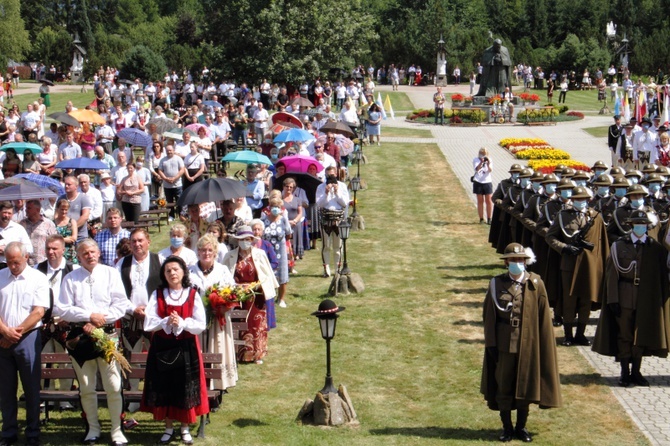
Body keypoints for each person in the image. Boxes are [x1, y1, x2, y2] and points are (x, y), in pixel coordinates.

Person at [481, 242, 562, 443]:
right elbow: (489, 317)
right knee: (504, 384)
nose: (517, 263)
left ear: (525, 262)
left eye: (520, 260)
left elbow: (544, 317)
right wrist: (491, 344)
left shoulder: (536, 283)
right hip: (504, 343)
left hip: (529, 343)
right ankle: (507, 427)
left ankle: (521, 427)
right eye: (513, 260)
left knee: (525, 384)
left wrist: (543, 345)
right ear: (506, 262)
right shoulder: (497, 284)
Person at [56, 239, 130, 446]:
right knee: (87, 386)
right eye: (84, 253)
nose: (89, 255)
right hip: (80, 337)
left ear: (98, 253)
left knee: (113, 385)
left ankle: (117, 430)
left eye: (92, 251)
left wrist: (100, 319)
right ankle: (93, 429)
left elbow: (121, 304)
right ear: (78, 257)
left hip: (107, 336)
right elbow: (63, 308)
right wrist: (88, 316)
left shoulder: (110, 274)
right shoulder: (70, 278)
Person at [592, 210, 670, 387]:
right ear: (631, 226)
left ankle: (637, 371)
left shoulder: (656, 248)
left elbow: (662, 276)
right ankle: (624, 373)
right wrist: (613, 300)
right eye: (637, 224)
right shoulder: (620, 245)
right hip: (625, 295)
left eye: (644, 225)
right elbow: (612, 275)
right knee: (625, 335)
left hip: (646, 298)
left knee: (639, 336)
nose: (641, 227)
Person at [140, 256, 209, 445]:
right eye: (168, 270)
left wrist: (183, 322)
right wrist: (165, 322)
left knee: (185, 386)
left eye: (175, 269)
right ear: (164, 274)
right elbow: (149, 321)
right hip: (162, 346)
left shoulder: (192, 294)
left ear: (183, 272)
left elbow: (200, 324)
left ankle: (185, 427)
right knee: (165, 387)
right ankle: (168, 427)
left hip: (186, 346)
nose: (172, 273)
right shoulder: (158, 294)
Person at [546, 186, 610, 346]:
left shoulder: (595, 216)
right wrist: (564, 247)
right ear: (572, 200)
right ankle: (568, 335)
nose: (581, 202)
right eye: (577, 199)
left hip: (589, 265)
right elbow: (550, 236)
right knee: (569, 300)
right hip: (570, 264)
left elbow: (602, 242)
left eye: (583, 199)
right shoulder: (562, 216)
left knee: (585, 300)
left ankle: (581, 334)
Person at [0, 242, 49, 446]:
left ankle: (32, 433)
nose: (13, 266)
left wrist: (14, 333)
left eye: (16, 262)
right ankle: (8, 433)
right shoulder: (1, 276)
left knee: (30, 388)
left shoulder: (38, 278)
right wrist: (4, 330)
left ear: (26, 257)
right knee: (6, 389)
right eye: (9, 262)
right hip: (2, 339)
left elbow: (39, 312)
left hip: (28, 338)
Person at [189, 234, 238, 401]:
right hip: (197, 320)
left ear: (215, 252)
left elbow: (232, 293)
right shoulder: (190, 271)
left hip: (217, 320)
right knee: (200, 351)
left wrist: (224, 305)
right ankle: (200, 388)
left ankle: (218, 389)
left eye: (210, 250)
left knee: (218, 349)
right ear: (198, 252)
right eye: (203, 250)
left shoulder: (222, 270)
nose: (206, 253)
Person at [222, 226, 277, 364]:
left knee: (256, 324)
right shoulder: (230, 256)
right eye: (242, 239)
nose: (245, 242)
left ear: (252, 240)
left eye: (248, 239)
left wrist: (257, 285)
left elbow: (267, 274)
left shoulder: (259, 254)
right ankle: (238, 353)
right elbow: (224, 275)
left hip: (256, 294)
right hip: (237, 295)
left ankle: (257, 354)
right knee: (239, 324)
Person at [37, 235, 78, 411]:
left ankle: (65, 397)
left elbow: (78, 297)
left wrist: (67, 316)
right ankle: (46, 397)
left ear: (63, 250)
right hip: (44, 322)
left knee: (66, 360)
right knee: (42, 361)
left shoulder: (73, 269)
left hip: (65, 322)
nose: (51, 252)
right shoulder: (37, 269)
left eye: (55, 248)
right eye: (48, 248)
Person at [316, 167, 350, 278]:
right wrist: (326, 193)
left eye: (332, 175)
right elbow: (319, 204)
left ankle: (337, 269)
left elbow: (345, 203)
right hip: (326, 218)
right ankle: (326, 268)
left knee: (338, 246)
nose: (330, 178)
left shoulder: (342, 186)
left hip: (338, 218)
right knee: (326, 245)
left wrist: (336, 192)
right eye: (328, 175)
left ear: (336, 174)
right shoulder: (321, 187)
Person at [261, 196, 291, 308]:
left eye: (277, 207)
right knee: (267, 274)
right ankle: (269, 297)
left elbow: (288, 233)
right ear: (269, 207)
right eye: (273, 206)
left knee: (282, 274)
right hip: (267, 252)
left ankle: (281, 298)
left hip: (281, 250)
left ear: (281, 207)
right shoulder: (264, 220)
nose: (275, 208)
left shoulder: (283, 219)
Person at [20, 199, 57, 266]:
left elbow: (54, 242)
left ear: (37, 210)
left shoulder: (48, 224)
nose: (26, 210)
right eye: (26, 208)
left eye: (29, 208)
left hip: (42, 262)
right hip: (25, 262)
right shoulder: (22, 223)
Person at [0, 201, 33, 268]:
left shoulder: (18, 229)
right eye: (4, 213)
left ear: (12, 215)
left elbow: (29, 249)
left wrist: (10, 250)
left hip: (13, 266)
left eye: (9, 213)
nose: (6, 215)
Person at [60, 175, 92, 242]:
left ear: (76, 186)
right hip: (64, 237)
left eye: (69, 184)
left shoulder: (83, 198)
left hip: (80, 236)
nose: (66, 186)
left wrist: (71, 229)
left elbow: (85, 216)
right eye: (65, 184)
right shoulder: (61, 198)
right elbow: (57, 215)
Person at [157, 145, 185, 221]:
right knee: (169, 201)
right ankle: (171, 215)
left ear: (173, 150)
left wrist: (175, 178)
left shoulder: (178, 159)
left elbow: (182, 169)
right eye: (167, 150)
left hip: (177, 184)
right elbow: (160, 170)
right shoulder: (163, 160)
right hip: (167, 185)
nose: (169, 152)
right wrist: (165, 178)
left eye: (170, 150)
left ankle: (181, 215)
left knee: (179, 200)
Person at [53, 198, 79, 264]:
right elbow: (51, 238)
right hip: (57, 253)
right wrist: (66, 239)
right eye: (62, 209)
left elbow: (73, 238)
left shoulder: (72, 222)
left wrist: (59, 239)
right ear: (57, 209)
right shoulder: (52, 223)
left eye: (66, 210)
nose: (64, 212)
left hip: (70, 253)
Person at [473, 148, 493, 224]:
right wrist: (481, 162)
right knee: (480, 201)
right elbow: (477, 169)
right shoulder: (476, 159)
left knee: (489, 201)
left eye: (484, 154)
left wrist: (488, 163)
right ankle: (481, 218)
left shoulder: (490, 159)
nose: (483, 155)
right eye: (481, 153)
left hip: (487, 182)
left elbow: (490, 170)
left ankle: (489, 218)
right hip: (478, 181)